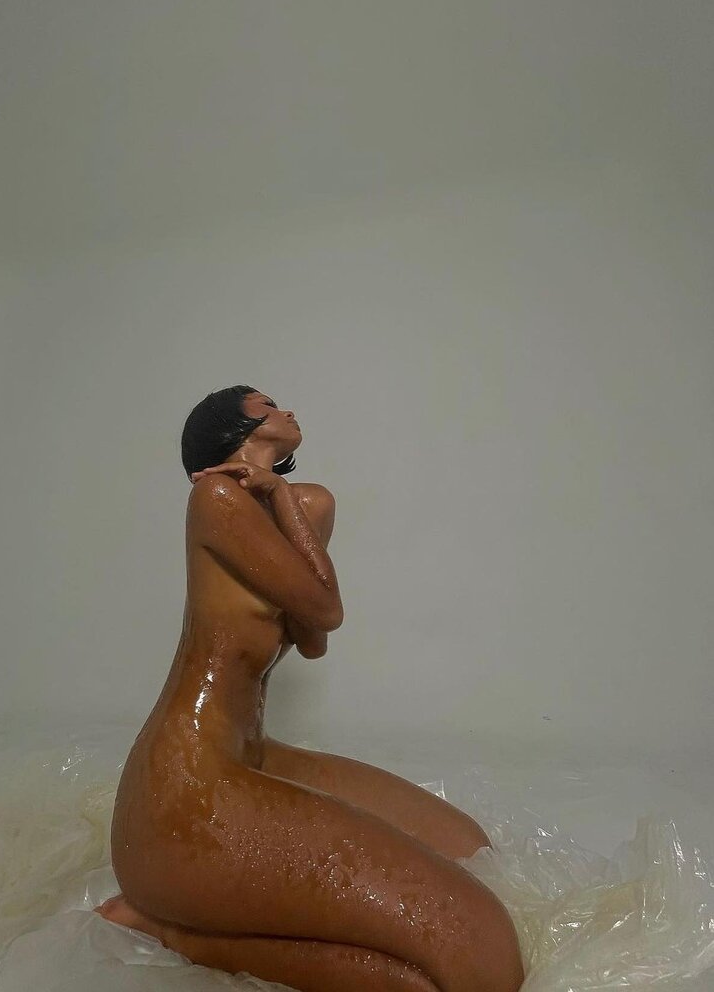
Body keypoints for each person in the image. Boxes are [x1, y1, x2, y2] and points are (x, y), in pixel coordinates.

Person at [94, 385, 525, 992]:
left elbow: (311, 638)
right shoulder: (215, 498)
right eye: (265, 405)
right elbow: (326, 610)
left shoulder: (304, 504)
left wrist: (284, 500)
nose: (286, 410)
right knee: (482, 959)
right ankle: (179, 932)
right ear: (230, 428)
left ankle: (195, 922)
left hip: (249, 755)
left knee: (471, 849)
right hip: (185, 788)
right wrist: (277, 500)